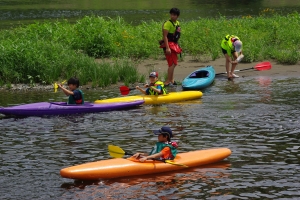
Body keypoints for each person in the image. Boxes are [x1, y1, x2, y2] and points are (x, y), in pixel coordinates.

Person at [160, 8, 182, 86]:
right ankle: (168, 81)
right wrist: (167, 48)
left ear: (177, 16)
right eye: (171, 14)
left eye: (174, 15)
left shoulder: (177, 23)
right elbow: (165, 36)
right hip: (168, 45)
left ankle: (172, 80)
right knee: (172, 63)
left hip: (174, 44)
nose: (173, 16)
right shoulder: (167, 23)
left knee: (173, 63)